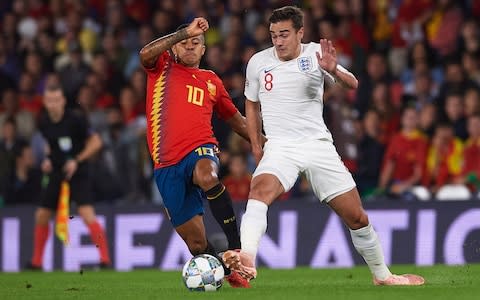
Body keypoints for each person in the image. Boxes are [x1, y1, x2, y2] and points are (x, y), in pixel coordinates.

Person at [222, 6, 425, 286]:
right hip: (281, 147)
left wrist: (334, 71)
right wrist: (257, 145)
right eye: (273, 35)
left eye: (284, 34)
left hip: (317, 145)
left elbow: (352, 83)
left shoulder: (316, 53)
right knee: (259, 191)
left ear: (300, 33)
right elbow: (251, 105)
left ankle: (383, 276)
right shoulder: (258, 62)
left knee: (357, 217)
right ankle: (247, 259)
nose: (278, 41)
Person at [139, 18, 251, 288]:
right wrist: (183, 32)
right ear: (174, 49)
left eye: (196, 43)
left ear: (203, 51)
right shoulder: (162, 67)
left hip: (200, 148)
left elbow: (236, 121)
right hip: (166, 164)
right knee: (197, 243)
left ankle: (236, 249)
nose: (190, 46)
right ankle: (226, 271)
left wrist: (265, 144)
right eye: (184, 43)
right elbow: (145, 53)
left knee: (207, 174)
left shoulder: (211, 81)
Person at [26, 84, 111, 270]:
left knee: (86, 213)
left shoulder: (75, 120)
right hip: (57, 171)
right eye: (50, 100)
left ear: (63, 101)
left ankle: (105, 260)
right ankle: (36, 262)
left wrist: (77, 160)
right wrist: (48, 159)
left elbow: (96, 142)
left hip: (78, 171)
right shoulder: (44, 121)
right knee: (41, 215)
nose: (53, 104)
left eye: (57, 100)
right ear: (45, 102)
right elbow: (51, 144)